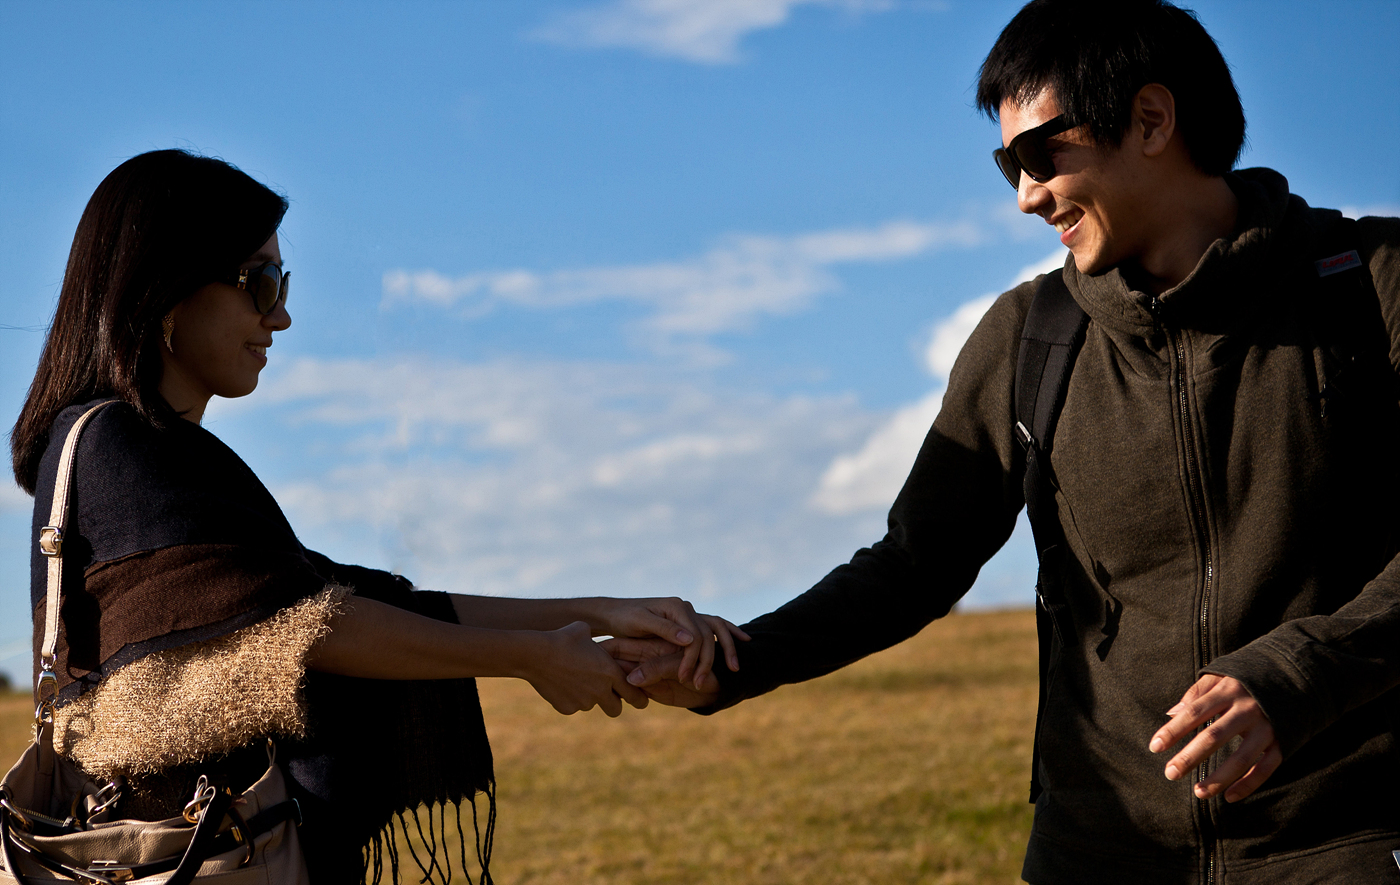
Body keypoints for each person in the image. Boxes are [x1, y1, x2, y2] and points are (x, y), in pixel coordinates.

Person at [609, 1, 1400, 881]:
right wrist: (733, 664)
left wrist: (1302, 675)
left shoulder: (1372, 287)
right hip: (1098, 854)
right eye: (1007, 165)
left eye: (1040, 155)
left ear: (1151, 120)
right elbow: (911, 567)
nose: (1026, 196)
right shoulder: (1030, 337)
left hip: (1351, 841)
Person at [9, 149, 747, 884]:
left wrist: (599, 613)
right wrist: (532, 656)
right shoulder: (116, 445)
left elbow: (350, 601)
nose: (281, 315)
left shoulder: (164, 456)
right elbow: (313, 626)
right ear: (168, 287)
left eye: (282, 283)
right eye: (258, 283)